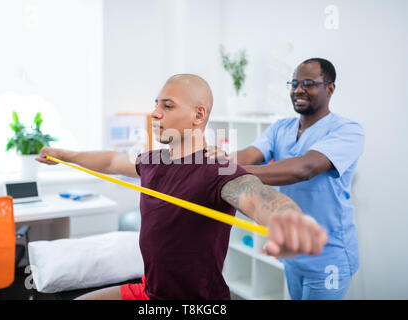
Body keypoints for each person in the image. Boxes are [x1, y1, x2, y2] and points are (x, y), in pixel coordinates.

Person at [36, 74, 327, 300]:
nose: (155, 113)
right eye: (156, 104)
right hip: (150, 291)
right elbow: (112, 161)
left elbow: (254, 194)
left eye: (167, 105)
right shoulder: (153, 161)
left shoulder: (216, 168)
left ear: (198, 115)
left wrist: (287, 219)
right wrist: (62, 155)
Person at [207, 58, 365, 300]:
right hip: (292, 251)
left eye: (308, 83)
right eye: (294, 83)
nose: (298, 90)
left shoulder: (347, 130)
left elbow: (304, 168)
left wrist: (230, 171)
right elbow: (251, 154)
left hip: (328, 256)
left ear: (330, 88)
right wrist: (220, 161)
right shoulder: (281, 128)